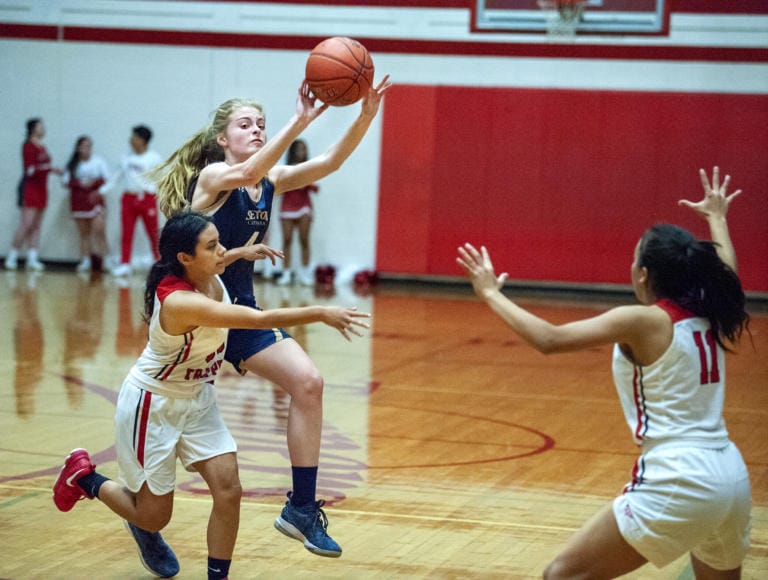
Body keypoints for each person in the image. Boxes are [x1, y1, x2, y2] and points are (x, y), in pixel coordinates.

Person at [456, 167, 751, 579]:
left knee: (561, 575)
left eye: (634, 259)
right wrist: (717, 218)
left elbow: (550, 339)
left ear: (643, 274)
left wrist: (489, 293)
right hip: (731, 476)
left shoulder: (644, 321)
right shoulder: (712, 307)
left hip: (682, 476)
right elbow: (728, 271)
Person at [52, 211, 370, 580]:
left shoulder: (207, 274)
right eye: (212, 246)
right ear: (185, 259)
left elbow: (221, 260)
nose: (221, 251)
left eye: (220, 242)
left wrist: (239, 253)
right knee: (154, 516)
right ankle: (84, 477)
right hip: (153, 405)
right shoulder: (180, 301)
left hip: (198, 400)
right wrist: (320, 311)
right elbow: (254, 320)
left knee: (229, 491)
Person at [151, 76, 391, 558]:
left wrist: (364, 116)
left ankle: (301, 508)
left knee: (308, 383)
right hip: (190, 325)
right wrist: (297, 121)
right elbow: (246, 174)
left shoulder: (270, 180)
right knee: (159, 450)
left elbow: (329, 162)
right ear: (222, 139)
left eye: (261, 123)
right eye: (246, 124)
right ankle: (139, 513)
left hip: (240, 317)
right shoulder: (216, 177)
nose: (257, 130)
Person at [100, 125, 163, 277]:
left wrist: (153, 192)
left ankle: (159, 262)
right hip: (128, 198)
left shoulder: (154, 158)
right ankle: (125, 264)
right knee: (127, 232)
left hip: (146, 198)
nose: (131, 139)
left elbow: (160, 178)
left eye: (134, 137)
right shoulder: (126, 158)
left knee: (153, 233)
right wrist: (102, 191)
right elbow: (116, 177)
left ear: (142, 140)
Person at [5, 118, 62, 271]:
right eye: (40, 126)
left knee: (37, 225)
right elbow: (30, 170)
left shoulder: (43, 147)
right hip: (30, 188)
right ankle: (12, 257)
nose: (44, 128)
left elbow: (43, 167)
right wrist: (48, 168)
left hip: (42, 189)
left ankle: (32, 258)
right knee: (26, 224)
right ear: (32, 129)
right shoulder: (28, 147)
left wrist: (52, 170)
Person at [63, 135, 111, 273]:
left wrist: (94, 183)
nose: (87, 149)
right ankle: (85, 260)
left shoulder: (98, 162)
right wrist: (79, 183)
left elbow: (108, 179)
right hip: (78, 203)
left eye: (89, 146)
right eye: (84, 146)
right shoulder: (73, 164)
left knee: (99, 231)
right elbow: (65, 181)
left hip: (95, 202)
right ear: (78, 148)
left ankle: (106, 259)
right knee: (84, 233)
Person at [277, 139, 319, 286]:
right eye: (299, 149)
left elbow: (316, 187)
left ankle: (305, 273)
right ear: (293, 151)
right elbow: (277, 187)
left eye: (304, 149)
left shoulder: (309, 167)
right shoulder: (285, 168)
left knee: (304, 239)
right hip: (287, 206)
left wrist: (305, 182)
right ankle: (286, 273)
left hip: (304, 206)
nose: (302, 152)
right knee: (287, 240)